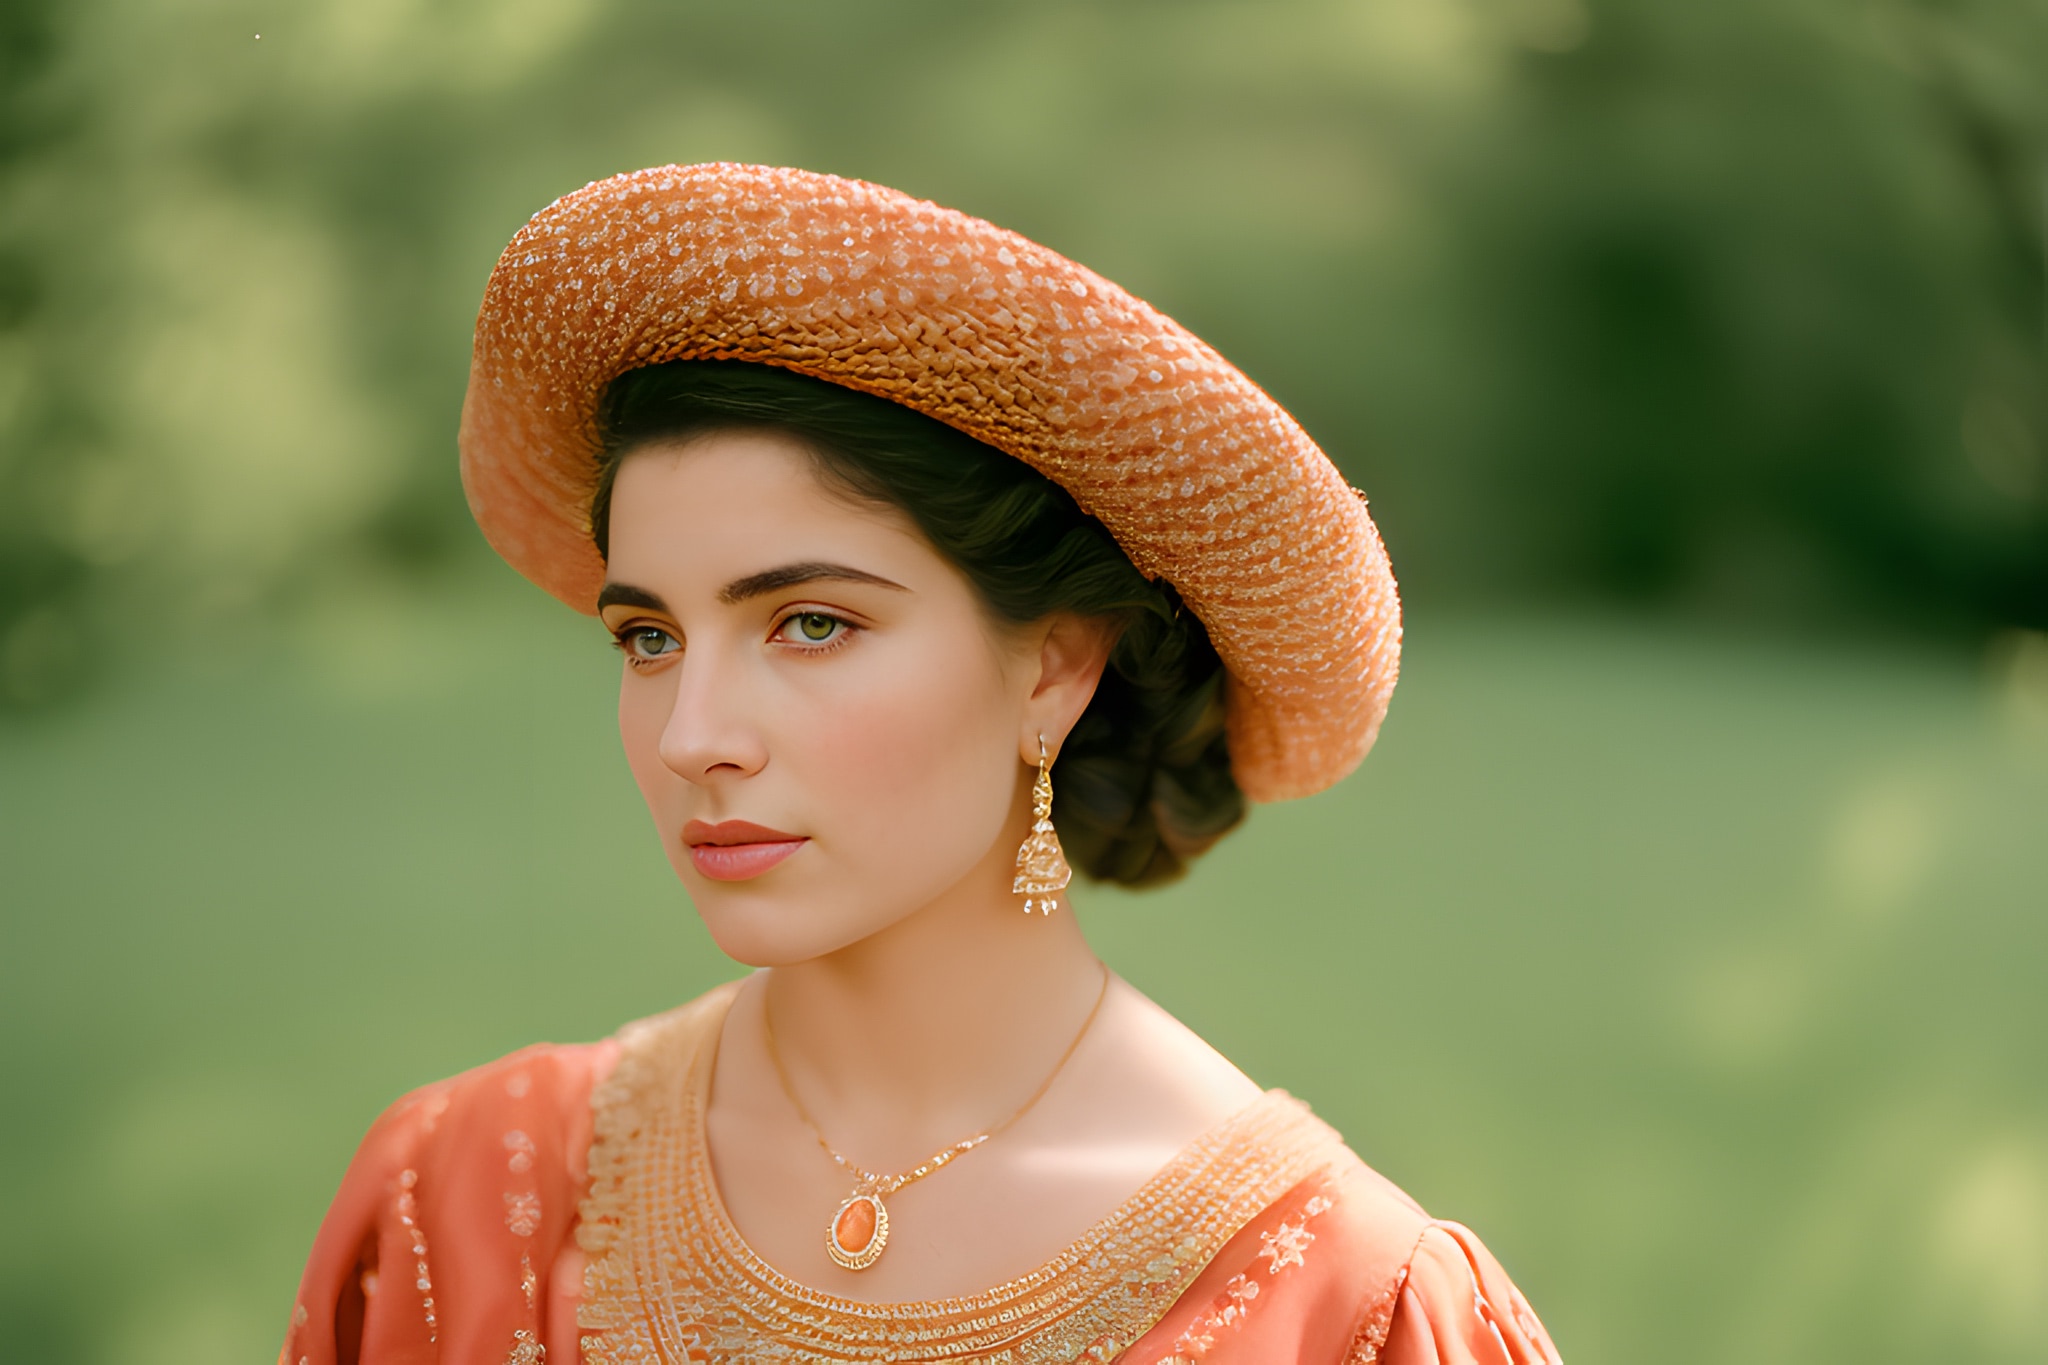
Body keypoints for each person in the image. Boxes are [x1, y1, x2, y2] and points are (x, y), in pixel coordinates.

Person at [279, 163, 1561, 1365]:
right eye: (650, 636)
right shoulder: (461, 1201)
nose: (691, 735)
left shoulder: (1346, 1315)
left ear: (1056, 667)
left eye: (811, 622)